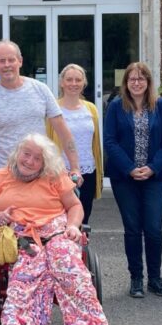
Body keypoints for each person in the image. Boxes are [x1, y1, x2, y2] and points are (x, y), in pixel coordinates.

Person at [0, 135, 108, 325]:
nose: (29, 161)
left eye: (37, 158)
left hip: (56, 231)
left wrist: (74, 226)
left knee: (72, 272)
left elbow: (75, 206)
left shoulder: (55, 177)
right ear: (17, 153)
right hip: (21, 236)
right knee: (25, 273)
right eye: (26, 153)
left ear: (44, 163)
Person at [103, 62, 162, 298]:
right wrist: (130, 168)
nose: (137, 83)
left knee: (153, 229)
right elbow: (110, 141)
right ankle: (136, 278)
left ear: (148, 82)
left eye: (141, 79)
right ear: (126, 83)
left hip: (154, 177)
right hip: (125, 178)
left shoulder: (160, 105)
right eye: (132, 79)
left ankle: (155, 278)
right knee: (133, 229)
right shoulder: (116, 107)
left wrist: (153, 168)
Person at [0, 40, 80, 191]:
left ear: (20, 61)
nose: (7, 64)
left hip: (42, 176)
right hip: (6, 180)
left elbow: (63, 130)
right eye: (2, 61)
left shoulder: (40, 89)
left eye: (11, 59)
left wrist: (75, 167)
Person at [47, 64, 103, 224]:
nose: (73, 83)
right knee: (60, 220)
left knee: (84, 218)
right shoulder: (52, 109)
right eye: (69, 79)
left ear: (84, 83)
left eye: (78, 80)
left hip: (87, 170)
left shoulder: (91, 109)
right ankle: (63, 249)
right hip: (59, 172)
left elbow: (95, 142)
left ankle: (81, 249)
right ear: (61, 83)